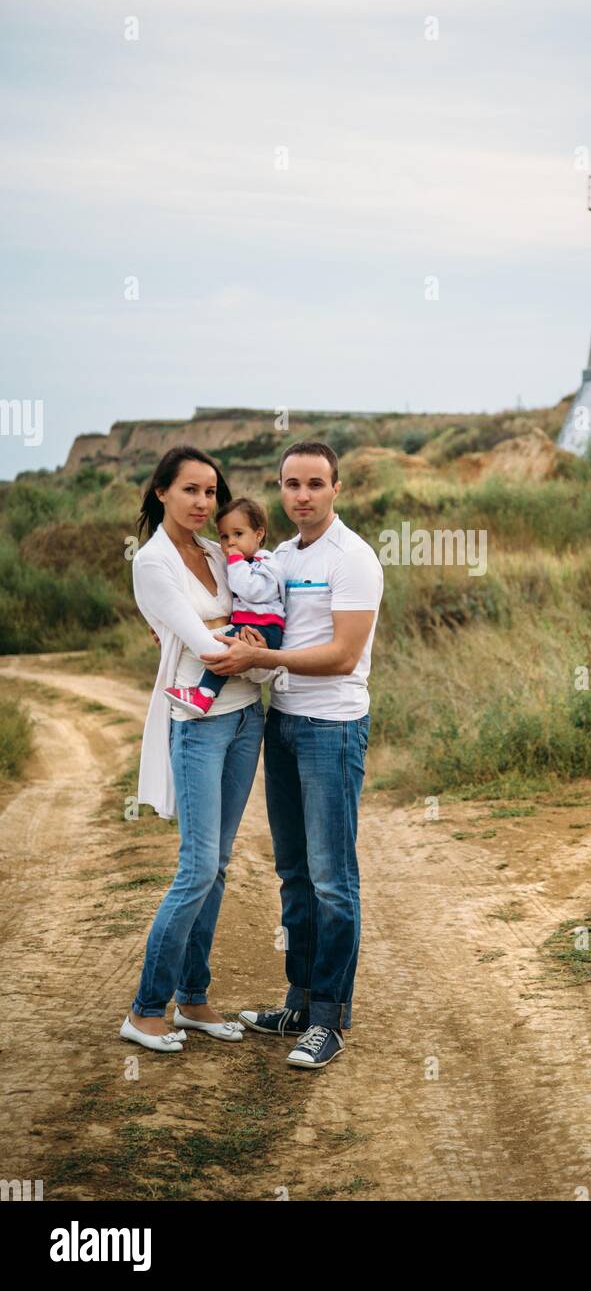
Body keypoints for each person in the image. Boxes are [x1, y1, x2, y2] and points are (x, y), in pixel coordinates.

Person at [200, 441, 384, 1069]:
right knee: (294, 874)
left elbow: (341, 656)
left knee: (333, 879)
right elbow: (244, 606)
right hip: (280, 721)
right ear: (280, 491)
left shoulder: (353, 558)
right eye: (290, 484)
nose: (302, 494)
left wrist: (263, 659)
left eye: (314, 483)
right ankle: (299, 1003)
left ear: (337, 488)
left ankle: (329, 1019)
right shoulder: (279, 555)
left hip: (331, 728)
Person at [119, 446, 271, 1054]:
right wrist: (246, 639)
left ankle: (195, 997)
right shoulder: (154, 563)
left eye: (211, 492)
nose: (204, 504)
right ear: (162, 492)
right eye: (190, 491)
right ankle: (145, 1008)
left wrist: (243, 635)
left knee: (220, 865)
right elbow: (199, 641)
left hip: (244, 720)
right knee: (197, 866)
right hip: (199, 722)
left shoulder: (216, 551)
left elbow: (260, 609)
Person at [163, 496, 285, 717]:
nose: (230, 542)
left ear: (259, 534)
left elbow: (251, 590)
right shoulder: (240, 563)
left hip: (265, 628)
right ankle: (204, 693)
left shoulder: (266, 561)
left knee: (224, 651)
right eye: (224, 536)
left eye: (238, 534)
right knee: (225, 646)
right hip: (252, 626)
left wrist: (236, 562)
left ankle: (204, 694)